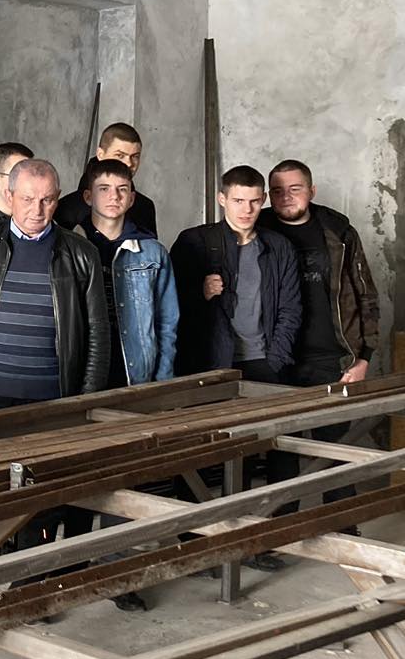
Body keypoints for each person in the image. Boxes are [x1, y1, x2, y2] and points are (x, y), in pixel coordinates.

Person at [0, 157, 107, 551]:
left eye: (47, 200)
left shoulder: (81, 254)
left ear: (58, 199)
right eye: (28, 199)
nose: (37, 210)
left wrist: (88, 397)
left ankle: (29, 576)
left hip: (52, 401)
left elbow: (98, 332)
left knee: (40, 498)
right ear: (9, 196)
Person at [171, 165, 303, 568]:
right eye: (239, 200)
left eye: (254, 201)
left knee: (275, 449)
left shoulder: (278, 247)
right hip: (211, 366)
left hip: (264, 365)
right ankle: (196, 543)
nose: (247, 209)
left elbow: (291, 308)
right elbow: (167, 305)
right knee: (199, 452)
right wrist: (198, 292)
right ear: (222, 199)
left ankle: (265, 539)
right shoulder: (194, 242)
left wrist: (275, 359)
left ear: (263, 201)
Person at [73, 156, 180, 609]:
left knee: (125, 478)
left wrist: (161, 383)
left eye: (122, 190)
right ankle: (69, 568)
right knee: (76, 474)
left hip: (134, 376)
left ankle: (118, 575)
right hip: (82, 378)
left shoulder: (151, 252)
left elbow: (168, 322)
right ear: (87, 196)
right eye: (104, 189)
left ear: (133, 198)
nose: (113, 197)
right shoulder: (69, 247)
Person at [259, 158, 382, 518]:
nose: (286, 197)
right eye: (277, 191)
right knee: (281, 449)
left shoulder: (337, 231)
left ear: (311, 191)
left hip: (332, 358)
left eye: (295, 189)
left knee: (336, 447)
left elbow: (366, 295)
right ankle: (281, 527)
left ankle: (341, 524)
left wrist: (364, 357)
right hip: (278, 358)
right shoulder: (258, 228)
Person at [55, 121, 158, 237]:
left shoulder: (144, 207)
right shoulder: (67, 209)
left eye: (135, 157)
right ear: (100, 154)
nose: (129, 163)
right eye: (120, 155)